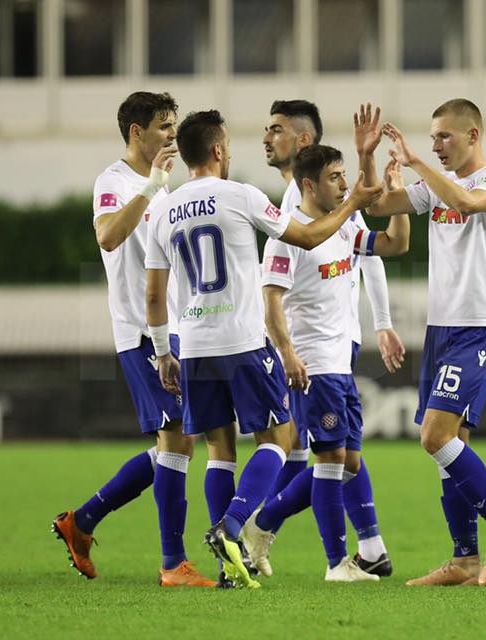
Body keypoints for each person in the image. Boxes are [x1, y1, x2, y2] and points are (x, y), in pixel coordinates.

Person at [144, 109, 382, 588]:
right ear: (216, 151)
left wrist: (162, 351)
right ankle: (233, 525)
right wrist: (351, 201)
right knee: (280, 440)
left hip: (191, 345)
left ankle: (229, 565)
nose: (232, 151)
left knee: (218, 451)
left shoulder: (162, 211)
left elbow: (152, 294)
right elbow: (310, 235)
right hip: (244, 340)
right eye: (228, 145)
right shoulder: (241, 195)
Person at [362, 98, 486, 586]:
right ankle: (463, 559)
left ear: (473, 135)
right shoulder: (433, 189)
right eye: (432, 138)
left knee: (434, 436)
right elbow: (375, 206)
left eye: (444, 137)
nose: (435, 146)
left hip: (478, 328)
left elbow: (464, 202)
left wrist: (415, 164)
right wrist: (368, 157)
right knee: (450, 447)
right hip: (441, 331)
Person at [52, 91, 215, 587]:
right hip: (139, 332)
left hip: (175, 330)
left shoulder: (164, 190)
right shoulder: (116, 181)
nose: (172, 133)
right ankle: (172, 564)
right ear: (136, 132)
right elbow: (107, 237)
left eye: (175, 124)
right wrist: (151, 186)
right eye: (165, 125)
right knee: (176, 440)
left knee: (181, 442)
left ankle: (82, 520)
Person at [248, 100, 404, 575]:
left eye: (275, 129)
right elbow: (270, 297)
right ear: (314, 181)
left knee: (341, 459)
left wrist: (393, 199)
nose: (265, 138)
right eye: (337, 177)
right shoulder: (286, 227)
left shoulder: (341, 218)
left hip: (341, 351)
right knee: (325, 457)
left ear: (301, 142)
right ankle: (340, 559)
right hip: (310, 360)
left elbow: (389, 245)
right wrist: (287, 352)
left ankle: (264, 523)